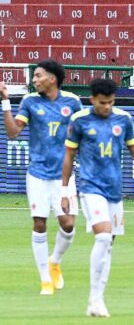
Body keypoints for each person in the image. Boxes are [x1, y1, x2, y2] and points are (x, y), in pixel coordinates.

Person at [61, 78, 134, 317]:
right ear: (93, 99)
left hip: (114, 190)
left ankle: (98, 301)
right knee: (103, 237)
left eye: (111, 102)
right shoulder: (79, 121)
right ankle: (94, 299)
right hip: (91, 187)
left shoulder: (123, 119)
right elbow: (69, 156)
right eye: (103, 103)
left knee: (109, 245)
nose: (107, 107)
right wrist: (65, 191)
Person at [0, 59, 82, 295]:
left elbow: (83, 132)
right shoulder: (30, 102)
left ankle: (54, 261)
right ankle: (45, 280)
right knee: (39, 223)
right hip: (37, 174)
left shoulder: (73, 102)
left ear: (51, 79)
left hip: (64, 176)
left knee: (68, 224)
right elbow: (14, 133)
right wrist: (5, 100)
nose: (34, 80)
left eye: (37, 76)